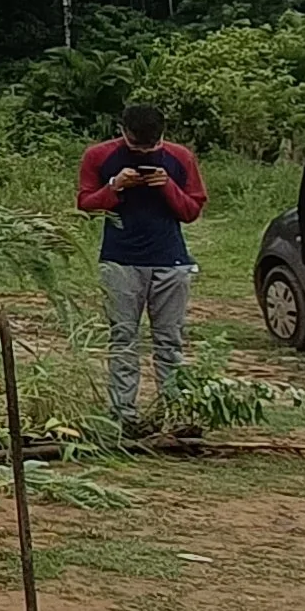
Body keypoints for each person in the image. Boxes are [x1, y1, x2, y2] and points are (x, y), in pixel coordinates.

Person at [76, 102, 204, 427]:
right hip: (120, 259)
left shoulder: (181, 157)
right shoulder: (99, 156)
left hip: (170, 260)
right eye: (137, 146)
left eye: (152, 146)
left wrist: (167, 186)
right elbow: (86, 203)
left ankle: (174, 415)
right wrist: (115, 187)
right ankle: (123, 416)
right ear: (122, 132)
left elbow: (191, 211)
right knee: (122, 338)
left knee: (169, 341)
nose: (145, 152)